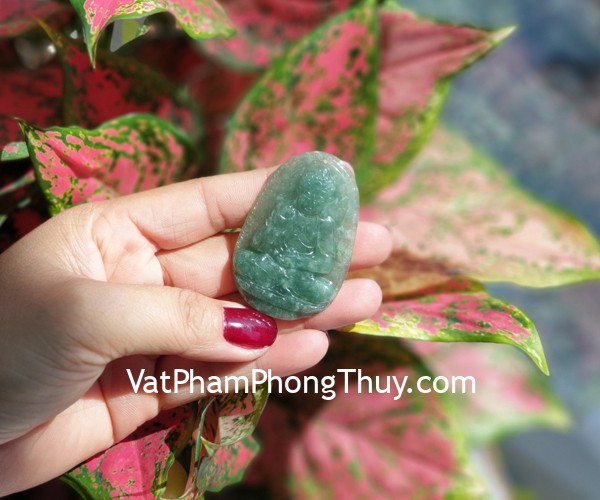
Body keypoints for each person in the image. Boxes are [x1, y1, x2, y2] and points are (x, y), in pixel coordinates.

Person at [0, 166, 391, 495]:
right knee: (267, 271)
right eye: (306, 199)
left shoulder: (326, 221)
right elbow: (260, 247)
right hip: (264, 269)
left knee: (316, 289)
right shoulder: (285, 211)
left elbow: (323, 257)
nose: (310, 207)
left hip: (297, 279)